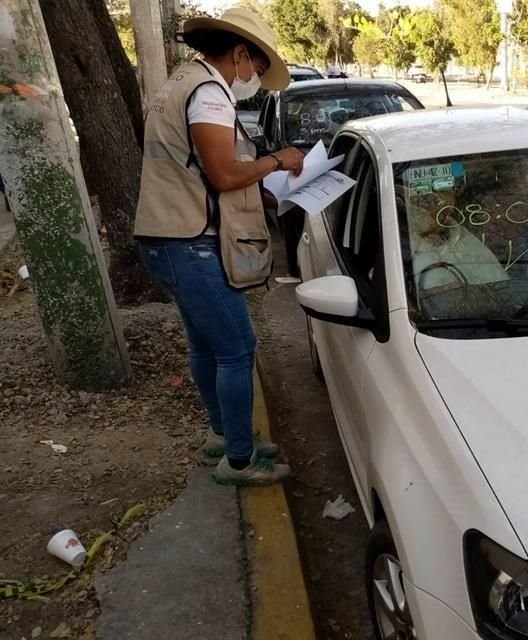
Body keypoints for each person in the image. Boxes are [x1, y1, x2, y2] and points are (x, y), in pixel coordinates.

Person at [134, 7, 304, 486]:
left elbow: (200, 170)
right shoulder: (210, 93)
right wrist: (277, 161)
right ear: (241, 53)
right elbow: (224, 174)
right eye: (256, 68)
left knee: (206, 345)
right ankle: (241, 460)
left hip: (165, 237)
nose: (253, 78)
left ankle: (225, 437)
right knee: (237, 348)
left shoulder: (180, 80)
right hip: (188, 241)